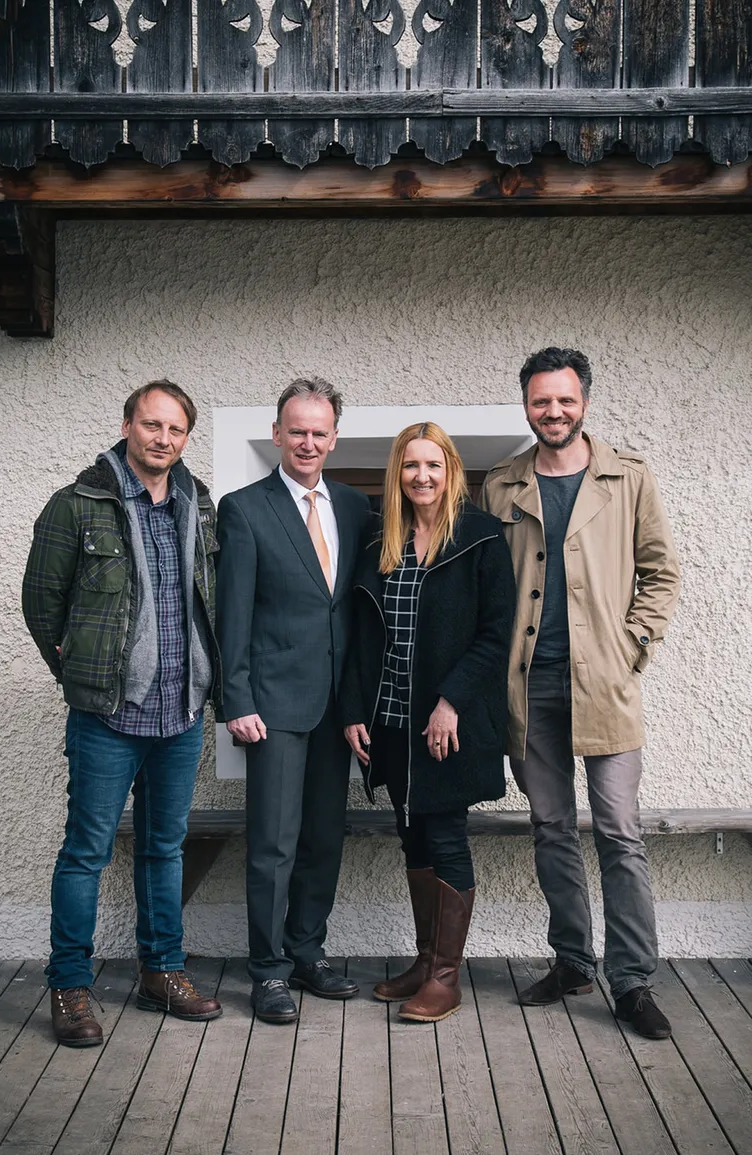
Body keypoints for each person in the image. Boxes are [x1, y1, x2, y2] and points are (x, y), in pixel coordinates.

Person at [481, 347, 681, 1039]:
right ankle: (572, 960)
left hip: (605, 686)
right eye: (541, 401)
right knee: (551, 828)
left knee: (621, 832)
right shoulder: (502, 485)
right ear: (526, 405)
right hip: (529, 689)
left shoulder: (629, 477)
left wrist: (633, 646)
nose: (554, 411)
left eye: (565, 400)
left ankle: (632, 982)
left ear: (584, 402)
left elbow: (661, 573)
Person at [22, 380, 222, 1047]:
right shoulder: (77, 506)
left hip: (182, 714)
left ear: (186, 437)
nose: (162, 438)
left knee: (164, 848)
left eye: (175, 429)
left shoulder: (199, 505)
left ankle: (162, 969)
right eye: (151, 424)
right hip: (108, 717)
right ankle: (69, 983)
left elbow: (209, 600)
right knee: (86, 852)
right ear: (128, 425)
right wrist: (83, 674)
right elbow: (41, 606)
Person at [341, 422, 515, 1022]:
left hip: (448, 723)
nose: (422, 476)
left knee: (444, 835)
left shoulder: (481, 537)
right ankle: (423, 960)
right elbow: (362, 640)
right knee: (412, 833)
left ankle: (445, 977)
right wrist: (353, 712)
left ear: (451, 471)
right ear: (398, 474)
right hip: (391, 719)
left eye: (433, 465)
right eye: (411, 466)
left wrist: (452, 701)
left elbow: (496, 634)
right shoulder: (378, 541)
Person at [215, 378, 372, 1023]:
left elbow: (357, 612)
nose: (308, 442)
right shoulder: (245, 508)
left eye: (319, 431)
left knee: (324, 840)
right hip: (273, 707)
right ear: (277, 434)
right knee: (274, 844)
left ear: (334, 438)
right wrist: (236, 700)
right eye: (296, 430)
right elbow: (234, 614)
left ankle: (308, 953)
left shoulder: (358, 508)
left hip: (340, 708)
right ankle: (269, 971)